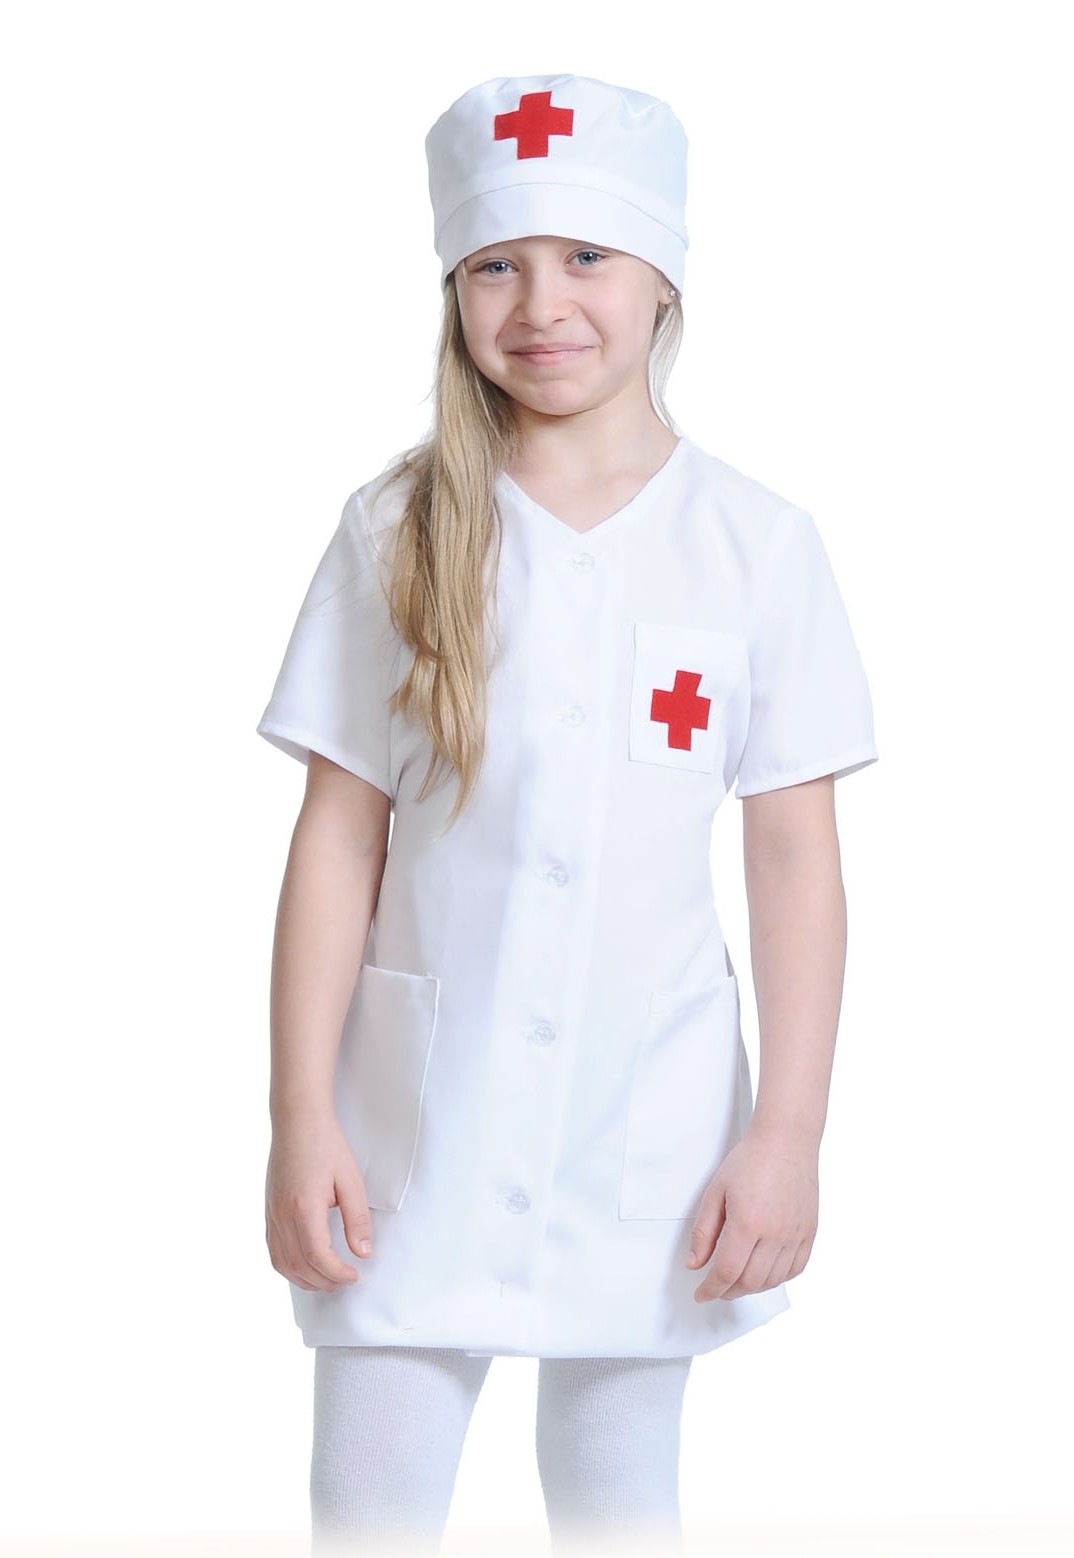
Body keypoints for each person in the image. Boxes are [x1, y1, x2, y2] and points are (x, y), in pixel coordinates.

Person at [256, 72, 879, 1556]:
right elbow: (337, 838)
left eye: (586, 255)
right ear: (452, 291)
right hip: (414, 1112)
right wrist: (298, 1115)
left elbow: (794, 859)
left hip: (646, 1117)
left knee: (618, 1510)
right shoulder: (395, 531)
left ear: (664, 279)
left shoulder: (754, 547)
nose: (542, 303)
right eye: (496, 264)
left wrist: (788, 1132)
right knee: (368, 1510)